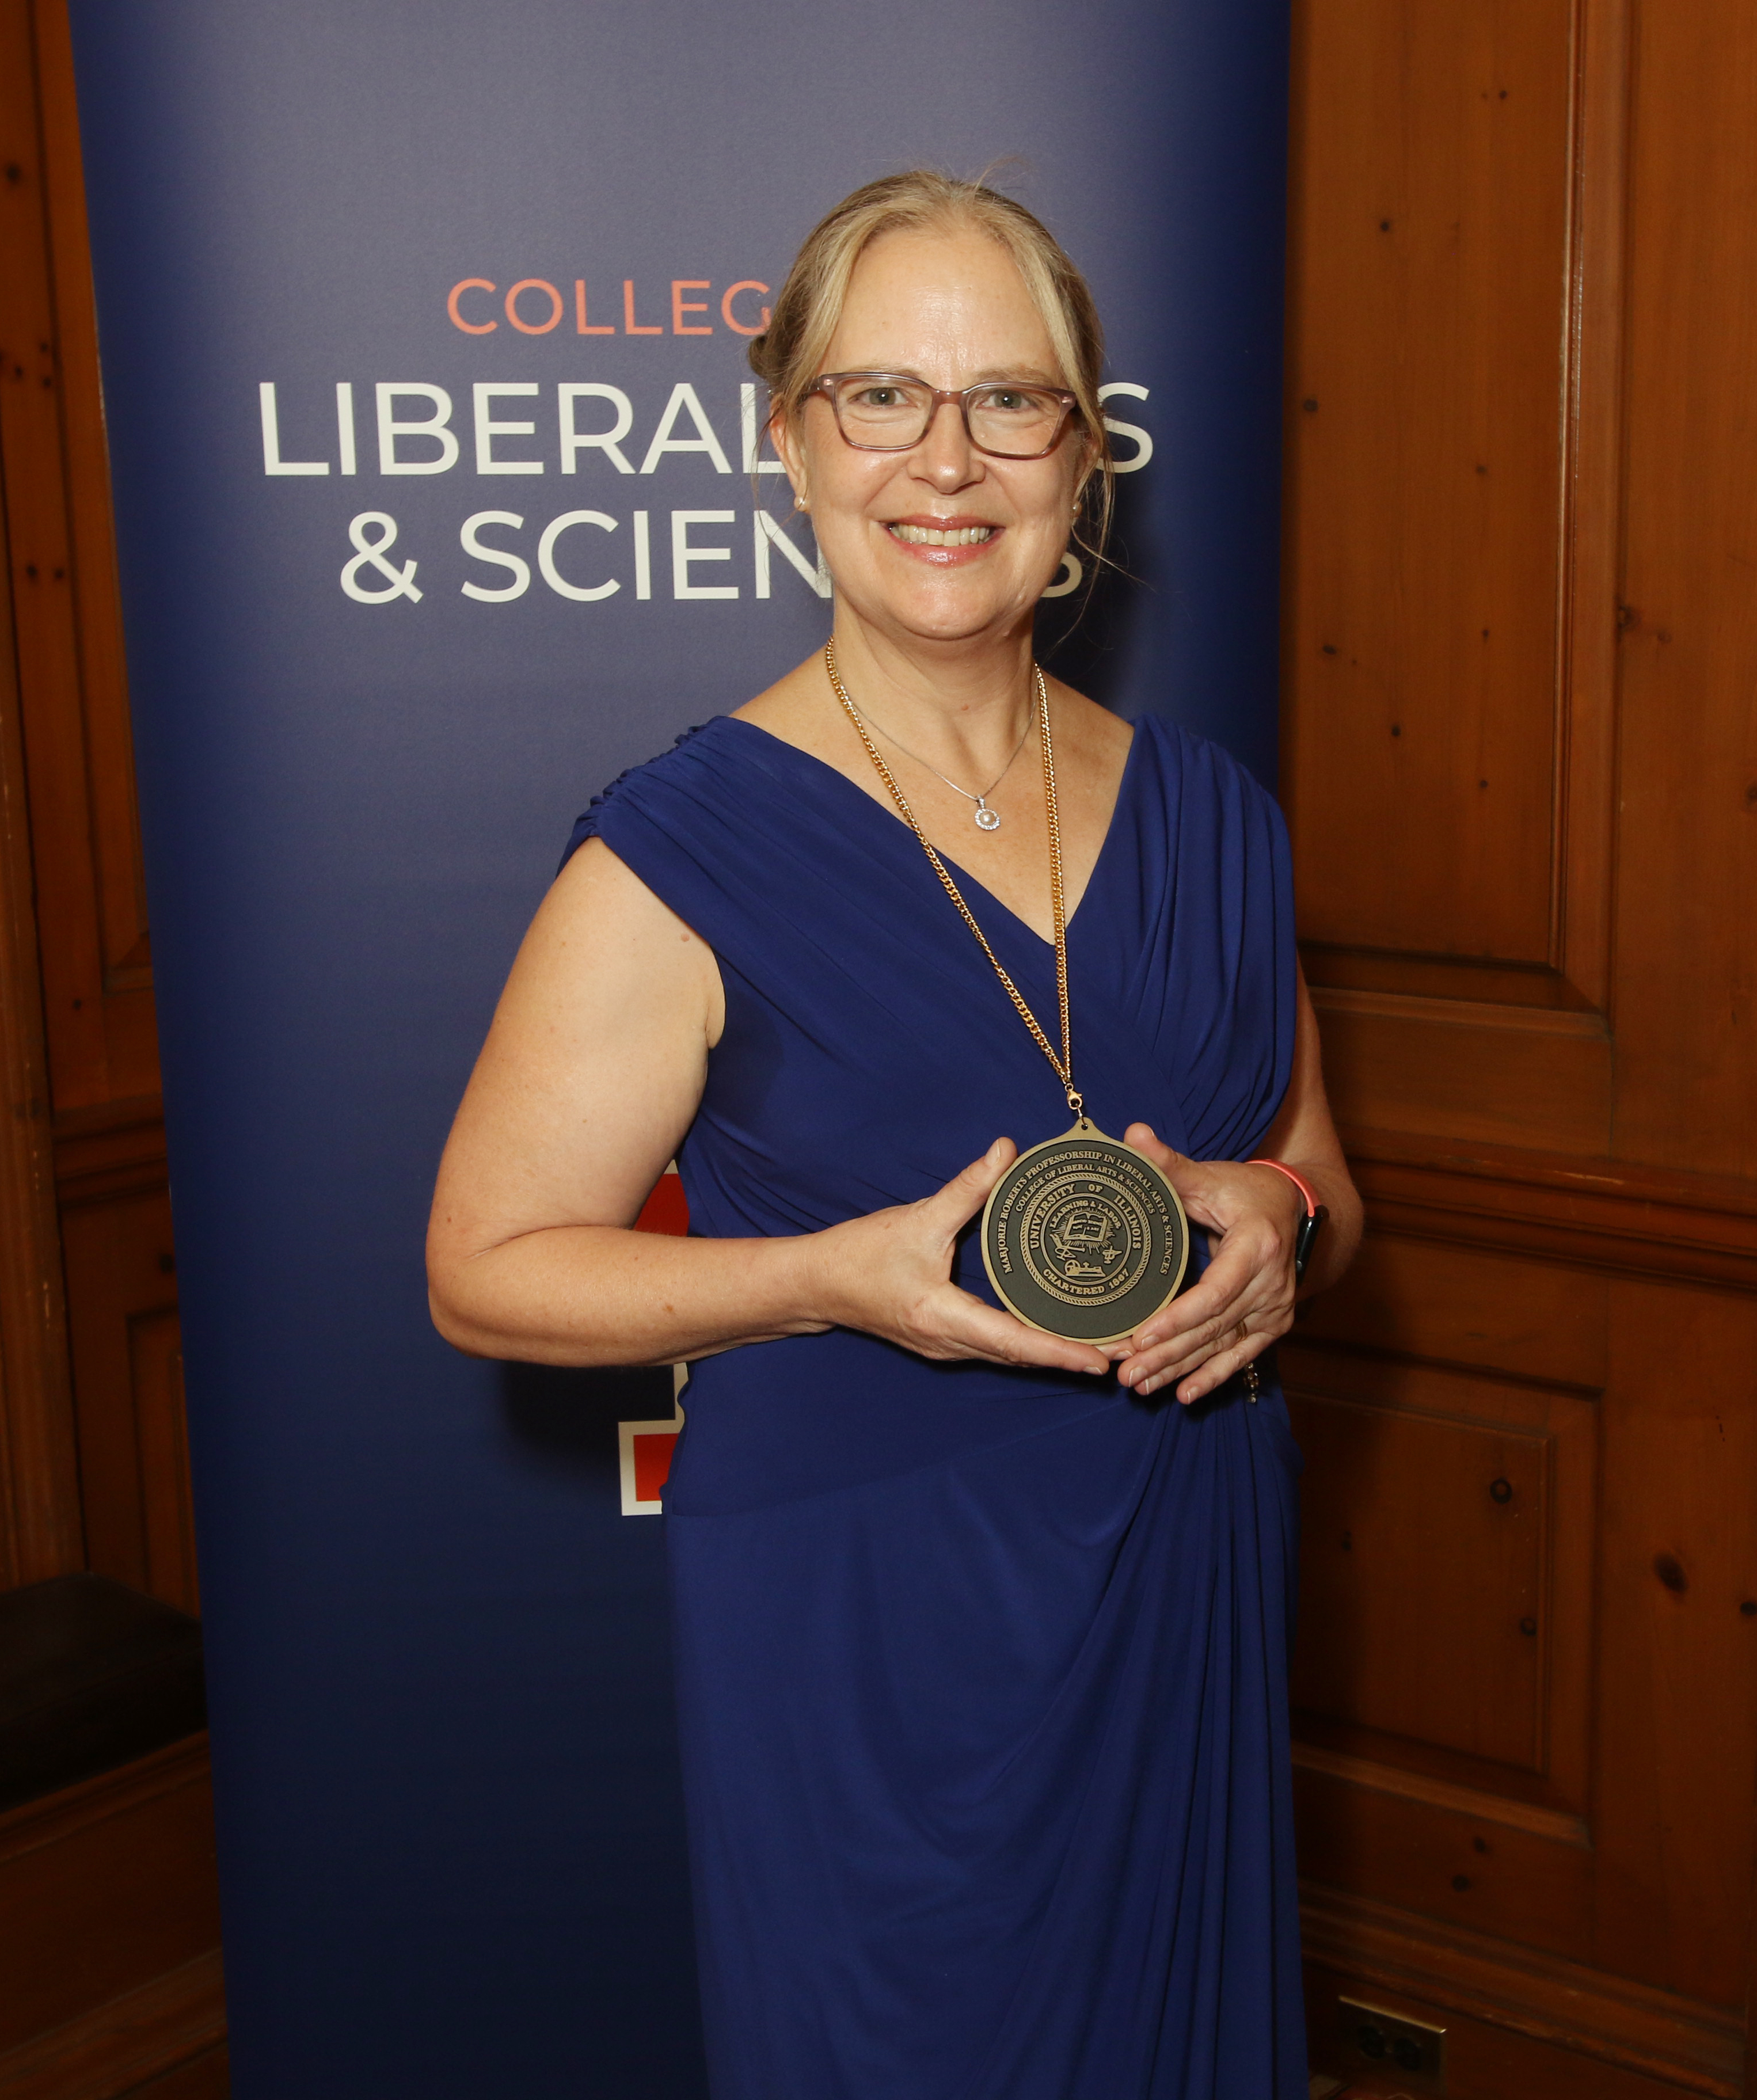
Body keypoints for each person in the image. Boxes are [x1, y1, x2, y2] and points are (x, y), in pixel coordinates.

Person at [425, 169, 1358, 2099]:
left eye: (1010, 400)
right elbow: (484, 1273)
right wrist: (830, 1284)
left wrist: (1273, 1218)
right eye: (881, 397)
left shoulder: (1215, 814)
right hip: (872, 1624)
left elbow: (1322, 1176)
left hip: (1182, 1557)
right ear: (790, 438)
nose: (948, 459)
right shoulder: (679, 851)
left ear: (1084, 457)